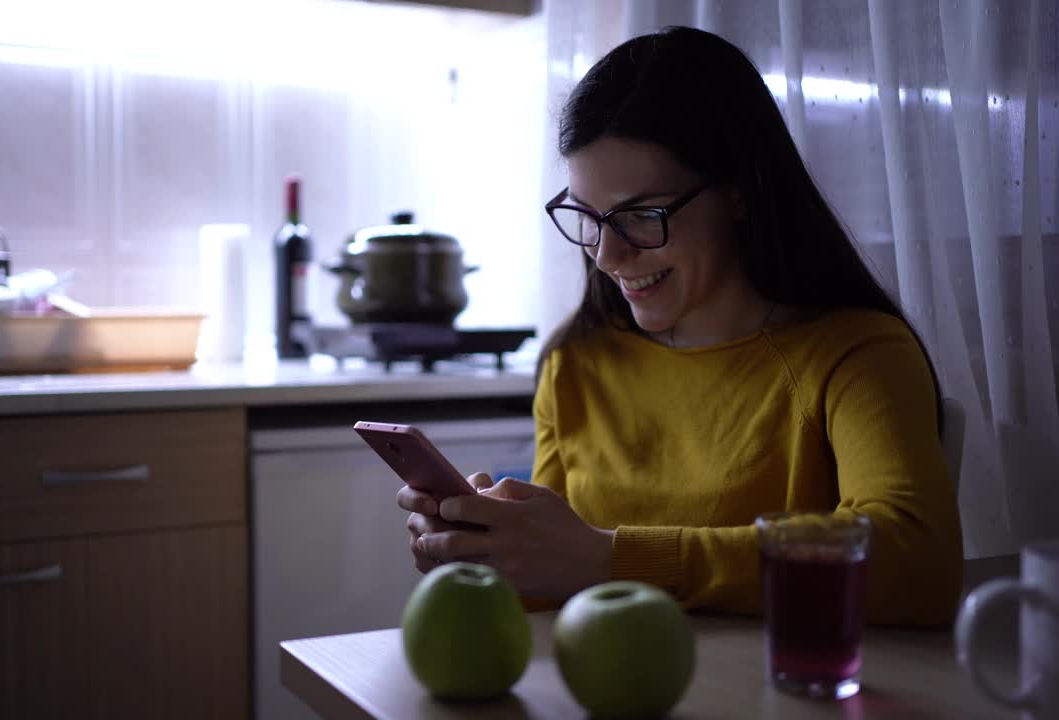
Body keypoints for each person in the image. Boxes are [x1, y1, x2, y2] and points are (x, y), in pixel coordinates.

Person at [397, 26, 963, 626]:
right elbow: (553, 594)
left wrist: (609, 558)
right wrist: (485, 552)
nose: (607, 257)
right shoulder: (578, 363)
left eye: (642, 215)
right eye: (587, 218)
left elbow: (917, 561)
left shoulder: (855, 353)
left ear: (741, 191)